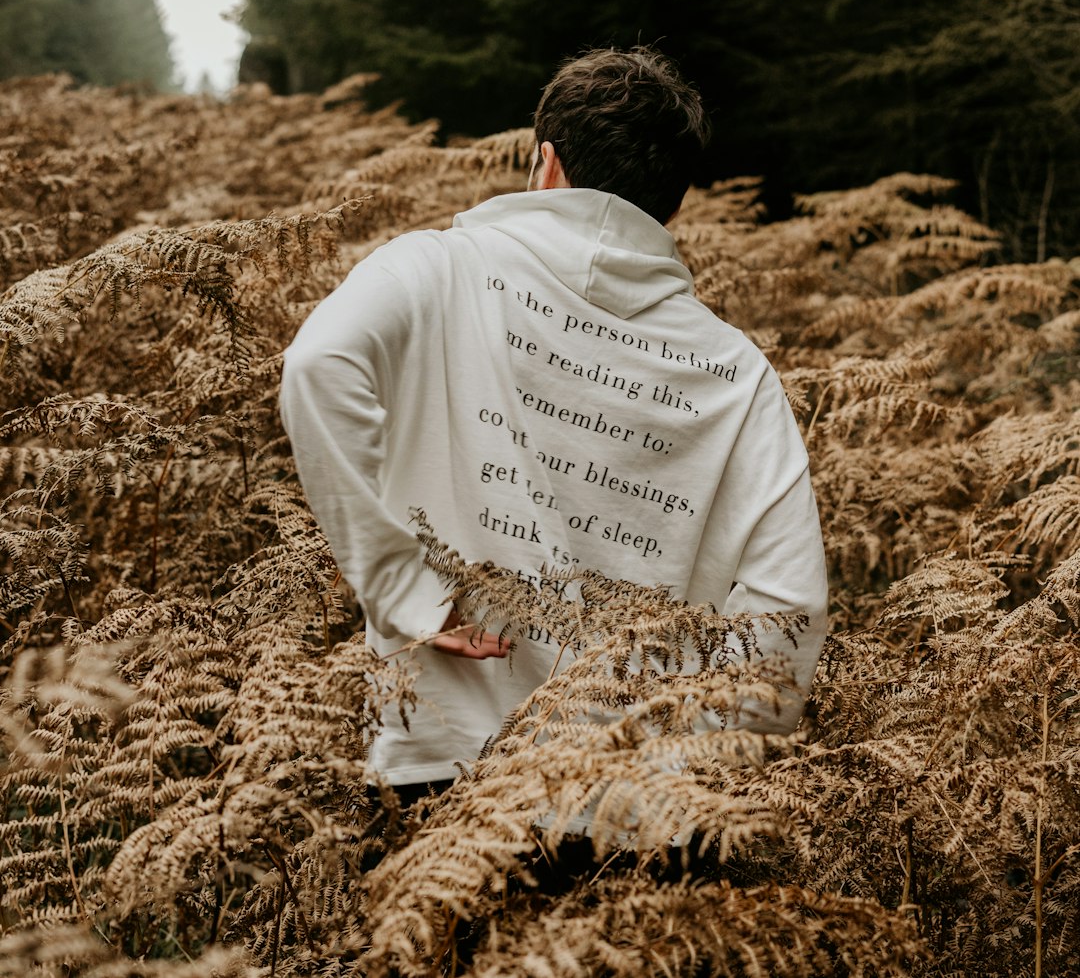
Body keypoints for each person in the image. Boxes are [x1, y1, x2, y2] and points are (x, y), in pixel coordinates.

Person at [279, 46, 828, 790]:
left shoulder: (432, 268)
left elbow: (318, 365)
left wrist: (404, 590)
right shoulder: (738, 370)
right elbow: (787, 608)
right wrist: (692, 768)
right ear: (673, 203)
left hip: (446, 771)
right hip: (648, 804)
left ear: (544, 165)